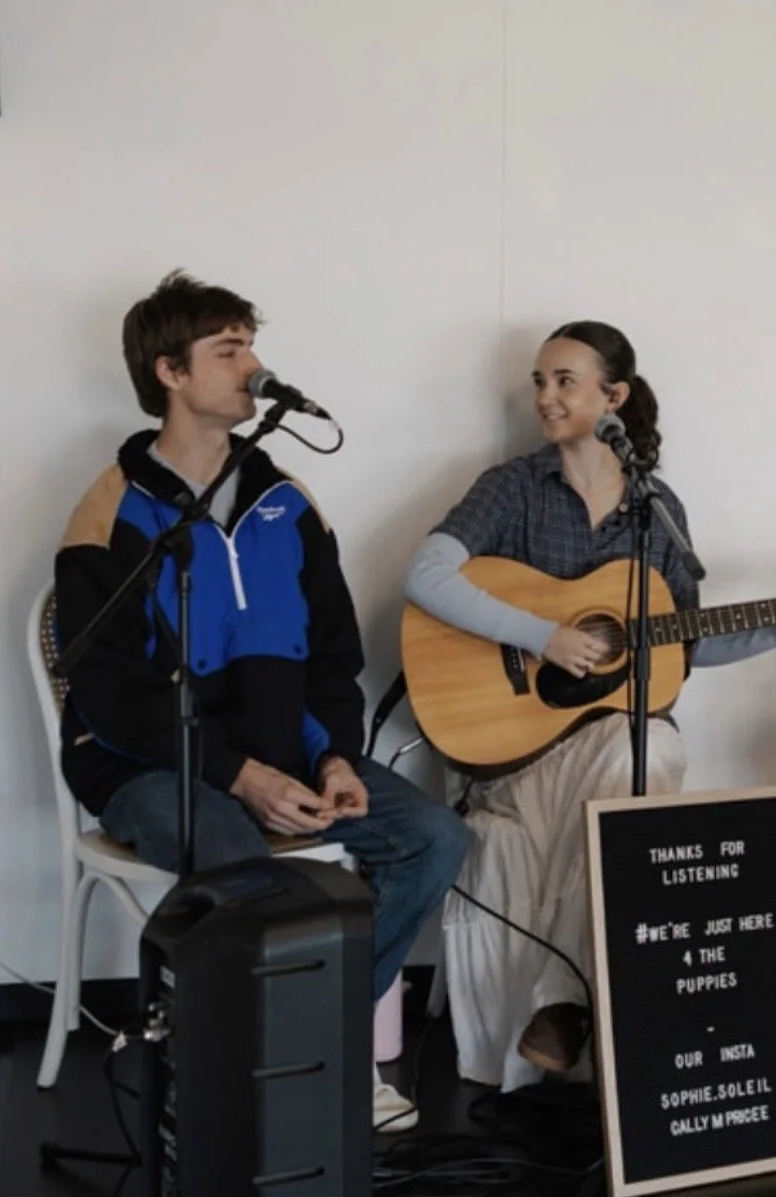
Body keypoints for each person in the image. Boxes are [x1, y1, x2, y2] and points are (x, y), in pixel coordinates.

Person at [54, 270, 469, 1126]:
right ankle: (254, 1073)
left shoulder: (289, 502)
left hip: (283, 750)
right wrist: (237, 772)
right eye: (229, 349)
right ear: (170, 373)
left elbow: (333, 656)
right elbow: (109, 695)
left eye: (252, 345)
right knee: (241, 855)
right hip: (142, 762)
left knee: (431, 836)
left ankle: (313, 1043)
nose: (254, 366)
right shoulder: (110, 513)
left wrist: (336, 758)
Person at [404, 320, 776, 1092]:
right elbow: (426, 575)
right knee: (642, 752)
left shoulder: (657, 511)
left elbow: (683, 643)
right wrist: (543, 636)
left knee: (645, 746)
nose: (545, 396)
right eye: (539, 380)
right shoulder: (512, 488)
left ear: (616, 396)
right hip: (514, 751)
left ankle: (561, 1002)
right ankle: (566, 1007)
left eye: (564, 380)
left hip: (604, 746)